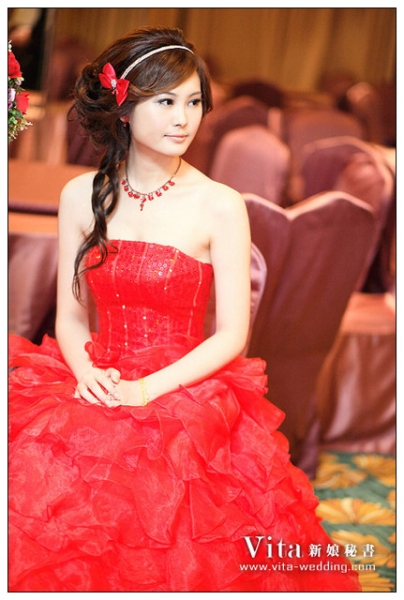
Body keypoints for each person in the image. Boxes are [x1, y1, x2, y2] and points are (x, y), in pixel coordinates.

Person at [8, 26, 362, 592]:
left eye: (194, 102)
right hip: (97, 375)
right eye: (166, 102)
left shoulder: (220, 204)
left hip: (185, 389)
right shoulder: (80, 195)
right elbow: (70, 317)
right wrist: (87, 373)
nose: (184, 119)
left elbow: (232, 335)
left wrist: (145, 391)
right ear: (124, 109)